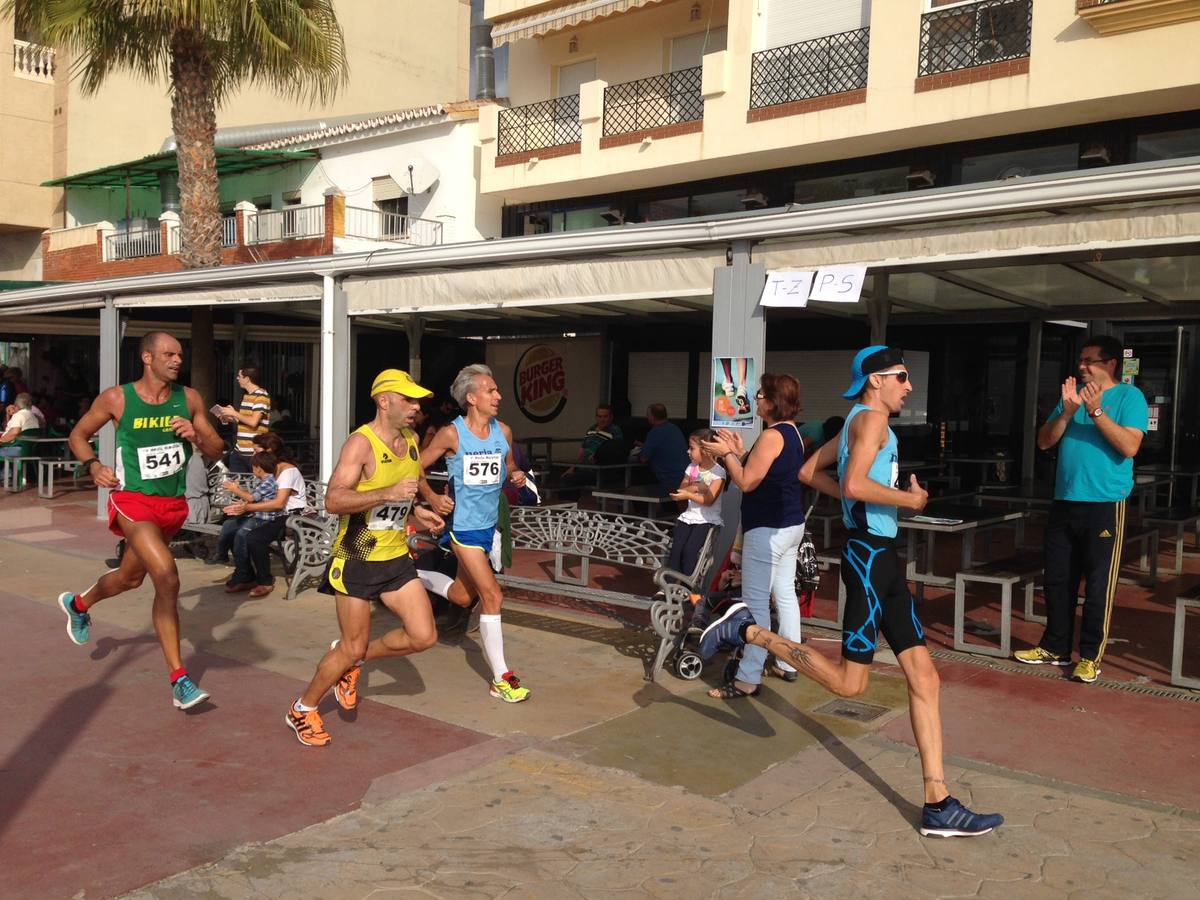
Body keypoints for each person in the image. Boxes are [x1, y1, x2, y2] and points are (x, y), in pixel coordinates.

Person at [695, 344, 1004, 838]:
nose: (909, 385)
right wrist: (910, 500)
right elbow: (856, 482)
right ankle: (748, 630)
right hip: (869, 560)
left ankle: (938, 802)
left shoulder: (853, 423)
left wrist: (861, 506)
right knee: (848, 685)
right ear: (875, 380)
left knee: (925, 679)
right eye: (901, 376)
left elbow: (807, 473)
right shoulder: (872, 423)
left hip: (882, 559)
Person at [57, 331, 225, 710]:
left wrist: (197, 434)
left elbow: (217, 449)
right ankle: (180, 679)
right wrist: (94, 465)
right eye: (168, 354)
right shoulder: (118, 398)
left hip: (171, 505)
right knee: (166, 574)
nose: (177, 360)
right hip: (132, 499)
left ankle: (79, 605)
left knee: (130, 578)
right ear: (147, 358)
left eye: (180, 354)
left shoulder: (190, 398)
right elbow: (78, 434)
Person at [286, 368, 445, 747]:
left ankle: (351, 663)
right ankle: (302, 709)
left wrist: (417, 510)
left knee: (423, 637)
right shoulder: (361, 444)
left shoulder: (410, 439)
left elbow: (407, 488)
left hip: (395, 558)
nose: (416, 407)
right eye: (407, 399)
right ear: (383, 400)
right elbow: (334, 500)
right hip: (356, 558)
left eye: (418, 400)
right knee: (351, 644)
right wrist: (387, 492)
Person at [1015, 335, 1148, 683]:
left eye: (1089, 360)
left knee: (1099, 585)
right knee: (1057, 580)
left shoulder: (1129, 397)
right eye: (1080, 360)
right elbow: (1045, 442)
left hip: (1104, 504)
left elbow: (1130, 446)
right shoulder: (1071, 398)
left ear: (1111, 365)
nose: (1081, 366)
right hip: (1065, 500)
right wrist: (1069, 411)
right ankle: (1055, 646)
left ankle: (1090, 656)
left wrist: (1096, 411)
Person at [420, 364, 531, 703]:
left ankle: (413, 576)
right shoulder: (451, 434)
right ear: (471, 397)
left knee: (462, 597)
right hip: (464, 529)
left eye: (497, 391)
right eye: (491, 390)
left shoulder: (505, 431)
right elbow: (414, 467)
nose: (498, 396)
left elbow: (509, 464)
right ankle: (501, 678)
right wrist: (432, 497)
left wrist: (516, 475)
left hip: (490, 527)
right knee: (493, 596)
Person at [702, 373, 806, 694]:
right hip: (791, 526)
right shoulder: (792, 434)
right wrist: (740, 451)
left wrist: (726, 455)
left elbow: (747, 482)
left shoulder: (772, 436)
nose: (756, 399)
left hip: (767, 530)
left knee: (756, 603)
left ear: (773, 402)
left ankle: (748, 677)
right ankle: (789, 662)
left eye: (761, 395)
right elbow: (763, 471)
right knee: (785, 595)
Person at [665, 428, 725, 576]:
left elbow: (709, 500)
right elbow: (682, 489)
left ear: (705, 450)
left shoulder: (718, 472)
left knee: (690, 551)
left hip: (706, 519)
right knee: (676, 549)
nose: (688, 451)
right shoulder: (691, 467)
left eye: (692, 448)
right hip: (689, 516)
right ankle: (668, 585)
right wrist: (696, 487)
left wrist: (689, 494)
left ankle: (689, 588)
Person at [217, 362, 270, 474]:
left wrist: (234, 413)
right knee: (236, 485)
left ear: (247, 379)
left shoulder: (261, 396)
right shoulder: (247, 396)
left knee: (255, 486)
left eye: (239, 376)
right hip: (239, 450)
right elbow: (244, 421)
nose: (237, 379)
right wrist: (229, 418)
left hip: (254, 452)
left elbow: (253, 422)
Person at [561, 404, 623, 487]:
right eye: (600, 416)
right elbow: (582, 450)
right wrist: (572, 468)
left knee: (570, 480)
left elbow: (617, 450)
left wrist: (598, 456)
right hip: (583, 466)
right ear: (596, 417)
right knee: (565, 477)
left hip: (599, 469)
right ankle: (573, 499)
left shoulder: (615, 431)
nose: (602, 419)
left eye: (605, 416)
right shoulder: (591, 429)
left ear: (611, 417)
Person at [636, 404, 688, 496]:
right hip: (686, 478)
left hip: (669, 481)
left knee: (633, 490)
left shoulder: (655, 432)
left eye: (648, 415)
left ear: (652, 417)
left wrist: (639, 452)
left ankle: (649, 510)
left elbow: (644, 458)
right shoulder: (675, 429)